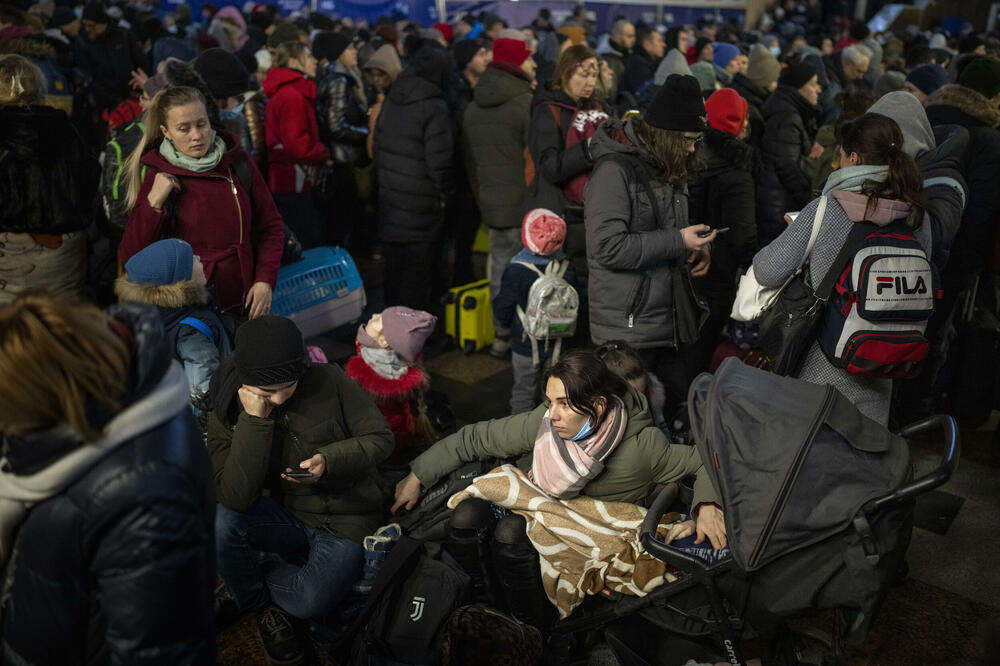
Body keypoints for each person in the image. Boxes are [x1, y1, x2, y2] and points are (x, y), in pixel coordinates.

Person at [392, 349, 725, 628]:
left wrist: (707, 506)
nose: (551, 414)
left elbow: (704, 461)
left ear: (597, 407)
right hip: (535, 508)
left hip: (580, 536)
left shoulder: (643, 447)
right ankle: (487, 612)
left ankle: (535, 633)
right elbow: (478, 437)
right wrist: (418, 474)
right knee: (466, 515)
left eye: (563, 403)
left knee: (510, 531)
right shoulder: (547, 421)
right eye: (550, 401)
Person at [0, 294, 215, 664]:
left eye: (7, 417)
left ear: (44, 402)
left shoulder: (144, 501)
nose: (6, 429)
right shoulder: (112, 397)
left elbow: (159, 652)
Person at [209, 315, 394, 664]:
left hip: (348, 518)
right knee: (222, 520)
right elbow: (236, 496)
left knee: (309, 601)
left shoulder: (329, 379)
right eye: (266, 392)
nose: (277, 399)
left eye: (288, 386)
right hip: (289, 513)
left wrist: (330, 459)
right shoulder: (226, 409)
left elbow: (381, 439)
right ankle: (255, 601)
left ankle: (246, 587)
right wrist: (254, 421)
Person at [752, 113, 926, 425]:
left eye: (841, 154)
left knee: (810, 462)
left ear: (854, 158)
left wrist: (803, 235)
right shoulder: (914, 217)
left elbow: (767, 270)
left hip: (819, 377)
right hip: (882, 373)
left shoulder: (826, 208)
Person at [584, 74, 716, 411]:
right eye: (687, 139)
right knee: (626, 425)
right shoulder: (614, 171)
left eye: (697, 140)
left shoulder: (669, 164)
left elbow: (675, 230)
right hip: (628, 328)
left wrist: (696, 247)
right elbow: (607, 247)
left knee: (666, 418)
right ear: (664, 134)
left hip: (665, 320)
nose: (691, 148)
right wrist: (677, 241)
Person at [119, 85, 284, 317]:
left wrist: (265, 280)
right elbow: (132, 256)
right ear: (166, 132)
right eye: (183, 129)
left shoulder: (238, 163)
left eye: (201, 124)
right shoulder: (159, 176)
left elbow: (271, 227)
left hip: (247, 305)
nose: (196, 136)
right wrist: (152, 204)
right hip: (192, 313)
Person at [0, 54, 97, 304]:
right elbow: (89, 184)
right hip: (64, 257)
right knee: (57, 330)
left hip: (6, 257)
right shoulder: (66, 130)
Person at [462, 37, 536, 357]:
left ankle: (501, 334)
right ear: (517, 64)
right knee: (529, 273)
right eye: (529, 59)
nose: (534, 64)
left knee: (499, 270)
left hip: (491, 204)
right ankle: (527, 335)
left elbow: (471, 165)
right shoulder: (526, 103)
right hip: (525, 205)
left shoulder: (472, 107)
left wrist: (483, 200)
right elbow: (534, 159)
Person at [373, 45, 454, 313]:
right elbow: (439, 163)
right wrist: (445, 196)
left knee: (393, 275)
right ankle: (412, 342)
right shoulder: (434, 105)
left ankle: (387, 339)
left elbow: (378, 147)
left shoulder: (392, 97)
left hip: (391, 202)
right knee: (417, 278)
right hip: (422, 207)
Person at [688, 88, 758, 373]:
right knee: (703, 348)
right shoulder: (737, 172)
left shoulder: (689, 155)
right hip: (720, 271)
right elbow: (743, 235)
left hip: (685, 262)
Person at [115, 239, 230, 403]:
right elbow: (203, 390)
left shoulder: (156, 319)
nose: (198, 257)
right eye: (191, 259)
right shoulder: (191, 332)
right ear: (182, 281)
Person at [526, 44, 609, 263]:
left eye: (594, 75)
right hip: (560, 215)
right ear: (565, 73)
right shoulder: (548, 111)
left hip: (595, 214)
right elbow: (550, 167)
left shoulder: (600, 109)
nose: (590, 82)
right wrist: (589, 148)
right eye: (583, 75)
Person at [494, 209, 579, 414]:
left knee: (523, 392)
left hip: (525, 343)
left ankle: (521, 440)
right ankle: (551, 434)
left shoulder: (517, 270)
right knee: (553, 393)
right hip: (559, 341)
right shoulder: (567, 267)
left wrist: (505, 327)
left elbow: (503, 306)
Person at [262, 41, 331, 249]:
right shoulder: (292, 96)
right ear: (293, 61)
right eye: (308, 56)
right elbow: (297, 146)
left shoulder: (292, 92)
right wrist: (323, 152)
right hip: (292, 180)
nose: (314, 60)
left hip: (291, 179)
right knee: (303, 241)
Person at [345, 307, 438, 453]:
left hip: (384, 439)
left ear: (383, 341)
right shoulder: (381, 354)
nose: (374, 314)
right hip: (398, 430)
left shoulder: (369, 373)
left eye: (377, 320)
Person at [757, 61, 822, 246]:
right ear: (798, 88)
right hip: (778, 208)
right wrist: (811, 201)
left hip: (776, 204)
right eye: (813, 83)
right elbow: (786, 166)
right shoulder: (787, 116)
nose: (819, 89)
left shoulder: (788, 110)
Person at [314, 31, 368, 247]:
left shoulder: (331, 77)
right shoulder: (339, 81)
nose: (355, 51)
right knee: (342, 218)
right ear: (338, 54)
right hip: (343, 159)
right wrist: (367, 134)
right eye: (349, 48)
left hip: (338, 159)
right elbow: (336, 126)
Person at [75, 2, 147, 118]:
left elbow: (141, 64)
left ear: (102, 23)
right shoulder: (83, 42)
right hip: (105, 105)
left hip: (132, 100)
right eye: (85, 25)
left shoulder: (123, 36)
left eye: (91, 25)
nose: (87, 29)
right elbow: (88, 75)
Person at [729, 43, 780, 149]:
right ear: (765, 79)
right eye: (775, 80)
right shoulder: (750, 105)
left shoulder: (755, 97)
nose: (777, 84)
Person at [817, 44, 871, 125]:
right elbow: (830, 123)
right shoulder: (834, 90)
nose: (861, 77)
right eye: (859, 71)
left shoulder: (829, 64)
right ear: (847, 63)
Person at [620, 24, 663, 96]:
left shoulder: (648, 62)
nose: (663, 44)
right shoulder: (638, 65)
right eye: (659, 41)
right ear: (647, 45)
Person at [597, 19, 634, 101]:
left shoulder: (627, 54)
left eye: (633, 36)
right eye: (629, 36)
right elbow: (611, 93)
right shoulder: (607, 59)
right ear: (618, 37)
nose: (633, 40)